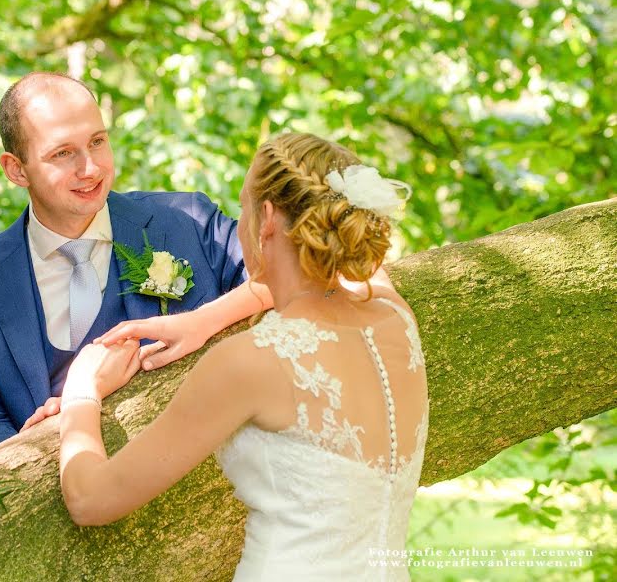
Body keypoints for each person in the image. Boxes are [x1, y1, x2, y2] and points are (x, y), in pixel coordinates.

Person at [59, 133, 429, 580]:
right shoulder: (394, 316)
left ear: (268, 217)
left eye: (244, 208)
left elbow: (91, 500)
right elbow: (347, 275)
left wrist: (80, 390)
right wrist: (202, 320)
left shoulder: (252, 361)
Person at [0, 72, 269, 455]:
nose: (90, 168)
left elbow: (298, 278)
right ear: (16, 169)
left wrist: (197, 322)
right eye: (62, 153)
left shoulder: (186, 220)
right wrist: (33, 445)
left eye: (97, 141)